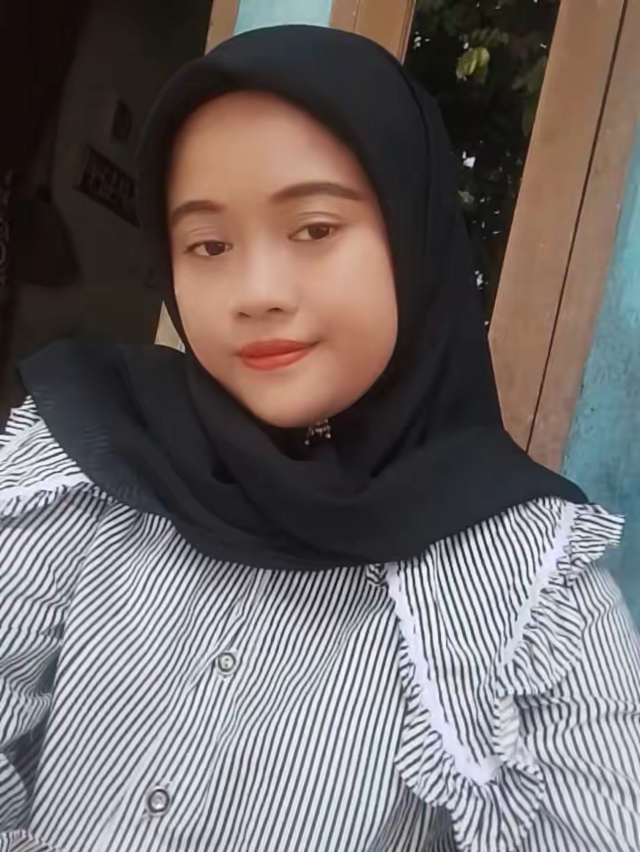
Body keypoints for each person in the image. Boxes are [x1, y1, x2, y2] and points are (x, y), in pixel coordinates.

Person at [1, 25, 639, 852]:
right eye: (208, 245)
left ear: (411, 239)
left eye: (314, 229)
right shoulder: (88, 460)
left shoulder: (532, 587)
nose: (257, 292)